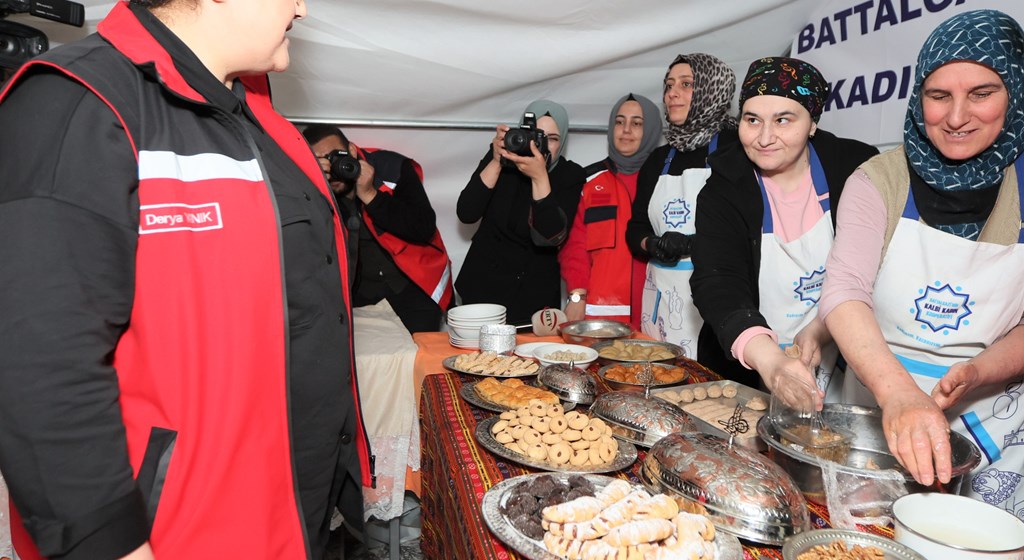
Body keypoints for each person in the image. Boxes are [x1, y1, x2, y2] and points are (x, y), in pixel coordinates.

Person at [0, 0, 372, 558]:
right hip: (187, 527)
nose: (301, 7)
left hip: (296, 506)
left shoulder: (258, 117)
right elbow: (38, 365)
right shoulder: (77, 102)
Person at [820, 10, 1024, 514]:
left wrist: (978, 371)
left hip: (988, 422)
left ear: (1015, 92)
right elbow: (843, 293)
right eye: (938, 96)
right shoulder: (878, 181)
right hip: (874, 407)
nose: (956, 117)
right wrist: (899, 394)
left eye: (981, 93)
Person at [690, 57, 878, 392]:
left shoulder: (856, 169)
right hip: (751, 356)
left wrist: (823, 327)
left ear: (812, 123)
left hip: (847, 350)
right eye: (752, 120)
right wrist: (770, 360)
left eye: (783, 120)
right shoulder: (723, 189)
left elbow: (876, 266)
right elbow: (718, 281)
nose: (765, 138)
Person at [624, 53, 739, 358]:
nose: (672, 94)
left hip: (718, 299)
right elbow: (635, 227)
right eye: (669, 85)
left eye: (686, 84)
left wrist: (694, 244)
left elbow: (749, 231)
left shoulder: (737, 150)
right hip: (661, 299)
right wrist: (652, 244)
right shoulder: (658, 159)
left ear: (713, 90)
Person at [302, 124, 454, 333]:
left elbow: (423, 227)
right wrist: (316, 187)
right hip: (358, 297)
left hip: (414, 287)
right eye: (322, 161)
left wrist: (370, 195)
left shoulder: (392, 168)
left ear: (352, 150)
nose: (333, 168)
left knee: (421, 351)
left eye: (336, 156)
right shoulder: (307, 186)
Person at [455, 100, 586, 326]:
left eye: (552, 139)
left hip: (532, 299)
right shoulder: (502, 160)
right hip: (482, 291)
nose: (541, 144)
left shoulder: (569, 175)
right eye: (536, 135)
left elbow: (548, 236)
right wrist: (496, 161)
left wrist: (540, 177)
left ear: (563, 142)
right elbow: (467, 212)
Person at [558, 93, 662, 327]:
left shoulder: (663, 181)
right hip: (600, 317)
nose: (626, 130)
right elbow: (574, 247)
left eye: (637, 123)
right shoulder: (588, 181)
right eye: (619, 121)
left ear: (651, 130)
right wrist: (577, 295)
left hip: (656, 317)